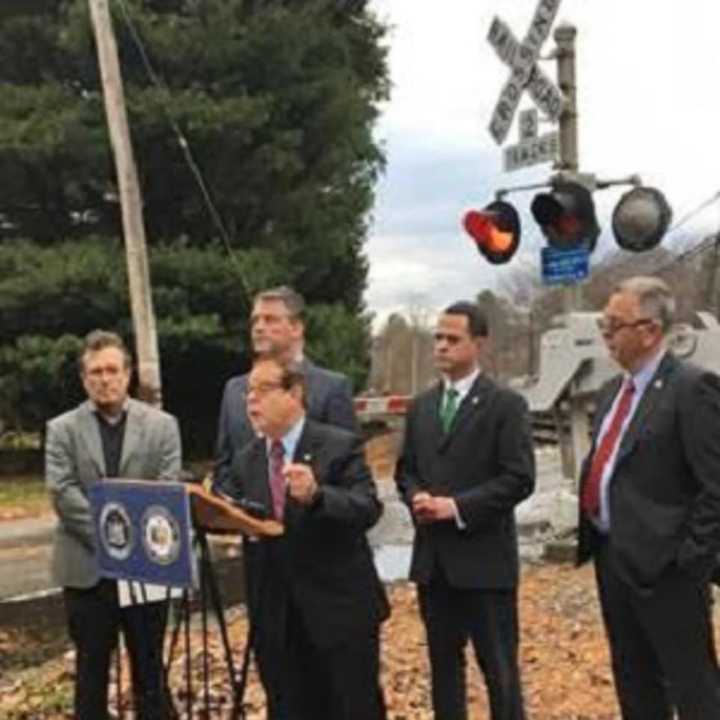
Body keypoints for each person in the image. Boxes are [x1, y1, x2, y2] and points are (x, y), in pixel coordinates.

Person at [577, 276, 720, 720]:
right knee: (635, 683)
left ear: (650, 330)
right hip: (614, 560)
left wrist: (688, 561)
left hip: (669, 571)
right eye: (604, 324)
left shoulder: (691, 389)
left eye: (613, 325)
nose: (605, 335)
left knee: (693, 688)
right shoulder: (609, 393)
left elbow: (715, 486)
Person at [225, 356, 389, 720]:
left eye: (263, 389)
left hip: (338, 614)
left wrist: (318, 496)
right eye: (248, 391)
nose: (251, 400)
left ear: (294, 393)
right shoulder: (247, 460)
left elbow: (367, 508)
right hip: (276, 618)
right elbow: (240, 516)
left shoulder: (339, 445)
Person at [395, 301, 535, 720]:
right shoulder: (421, 407)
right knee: (443, 669)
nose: (441, 346)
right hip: (434, 565)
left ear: (479, 343)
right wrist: (415, 497)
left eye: (452, 339)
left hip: (485, 563)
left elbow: (519, 478)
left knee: (499, 671)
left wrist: (456, 507)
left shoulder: (505, 405)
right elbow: (406, 471)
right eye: (437, 337)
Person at [45, 330, 181, 720]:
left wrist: (135, 547)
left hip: (147, 569)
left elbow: (167, 489)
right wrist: (113, 540)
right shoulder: (62, 429)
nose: (104, 379)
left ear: (128, 373)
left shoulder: (162, 426)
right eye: (95, 372)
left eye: (111, 370)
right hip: (87, 570)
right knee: (91, 673)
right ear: (84, 378)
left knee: (150, 670)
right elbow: (63, 491)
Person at [213, 285, 356, 495]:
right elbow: (224, 464)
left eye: (270, 319)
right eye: (255, 320)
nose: (259, 327)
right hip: (248, 522)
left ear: (297, 328)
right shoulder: (234, 390)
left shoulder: (331, 388)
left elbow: (348, 472)